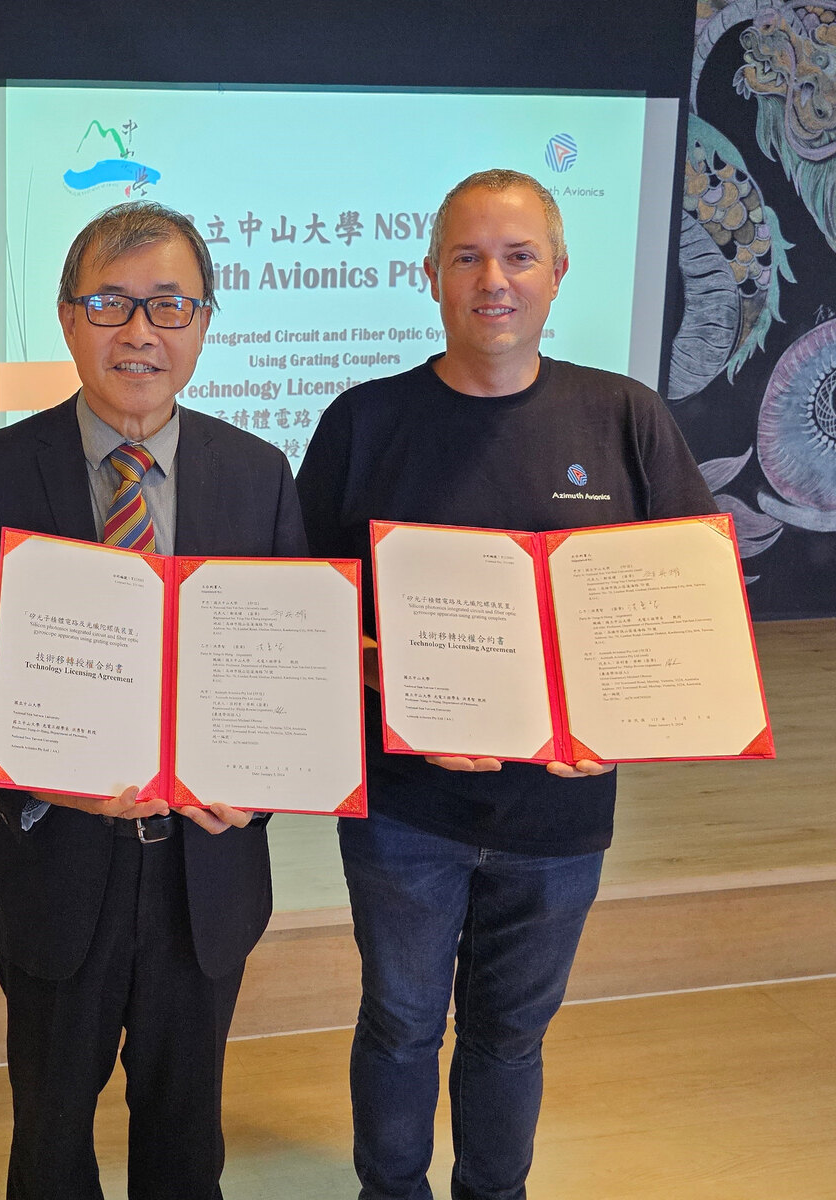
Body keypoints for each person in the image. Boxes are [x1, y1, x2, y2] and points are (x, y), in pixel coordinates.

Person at [296, 169, 717, 1200]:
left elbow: (687, 615)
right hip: (404, 809)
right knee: (398, 1024)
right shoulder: (364, 422)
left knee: (511, 1034)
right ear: (428, 274)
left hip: (561, 814)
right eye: (467, 256)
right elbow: (297, 619)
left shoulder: (624, 417)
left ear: (559, 272)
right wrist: (387, 682)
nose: (494, 279)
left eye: (518, 255)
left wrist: (632, 712)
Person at [0, 201, 305, 1200]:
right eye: (111, 304)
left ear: (204, 322)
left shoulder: (257, 476)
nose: (141, 332)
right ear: (67, 318)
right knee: (48, 1138)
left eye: (169, 305)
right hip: (51, 868)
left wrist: (258, 786)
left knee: (185, 1139)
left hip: (203, 876)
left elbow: (289, 663)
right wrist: (36, 780)